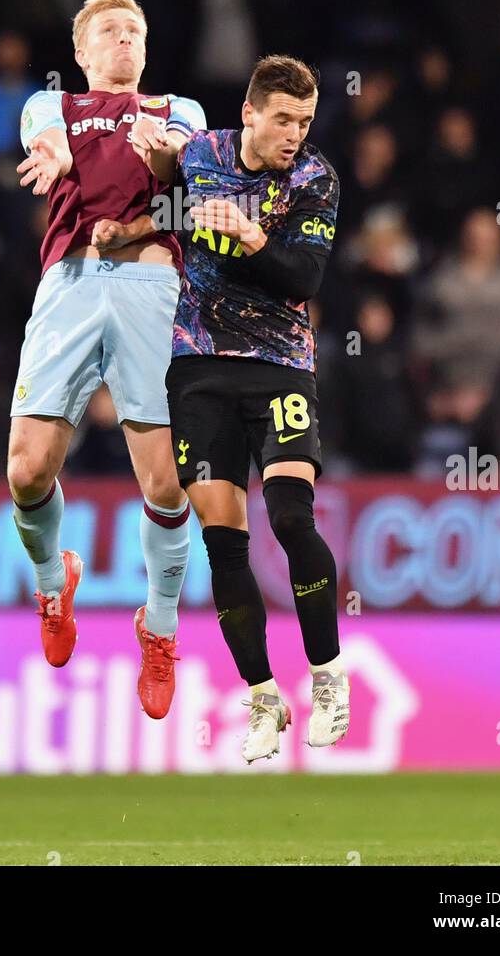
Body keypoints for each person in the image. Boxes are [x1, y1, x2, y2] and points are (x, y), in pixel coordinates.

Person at [136, 54, 349, 763]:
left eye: (305, 121)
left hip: (280, 364)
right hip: (198, 369)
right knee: (223, 542)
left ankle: (326, 676)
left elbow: (305, 275)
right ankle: (262, 698)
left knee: (290, 517)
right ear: (250, 114)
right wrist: (133, 224)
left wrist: (254, 236)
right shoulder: (201, 156)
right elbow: (160, 202)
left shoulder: (314, 180)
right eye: (284, 119)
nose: (295, 134)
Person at [6, 0, 205, 721]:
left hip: (154, 290)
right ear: (82, 53)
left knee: (165, 487)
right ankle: (53, 578)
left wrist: (166, 163)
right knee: (27, 471)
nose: (124, 40)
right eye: (109, 31)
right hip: (70, 285)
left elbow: (186, 182)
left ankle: (159, 626)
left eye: (134, 31)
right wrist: (51, 148)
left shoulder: (178, 110)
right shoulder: (52, 107)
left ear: (146, 50)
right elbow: (37, 129)